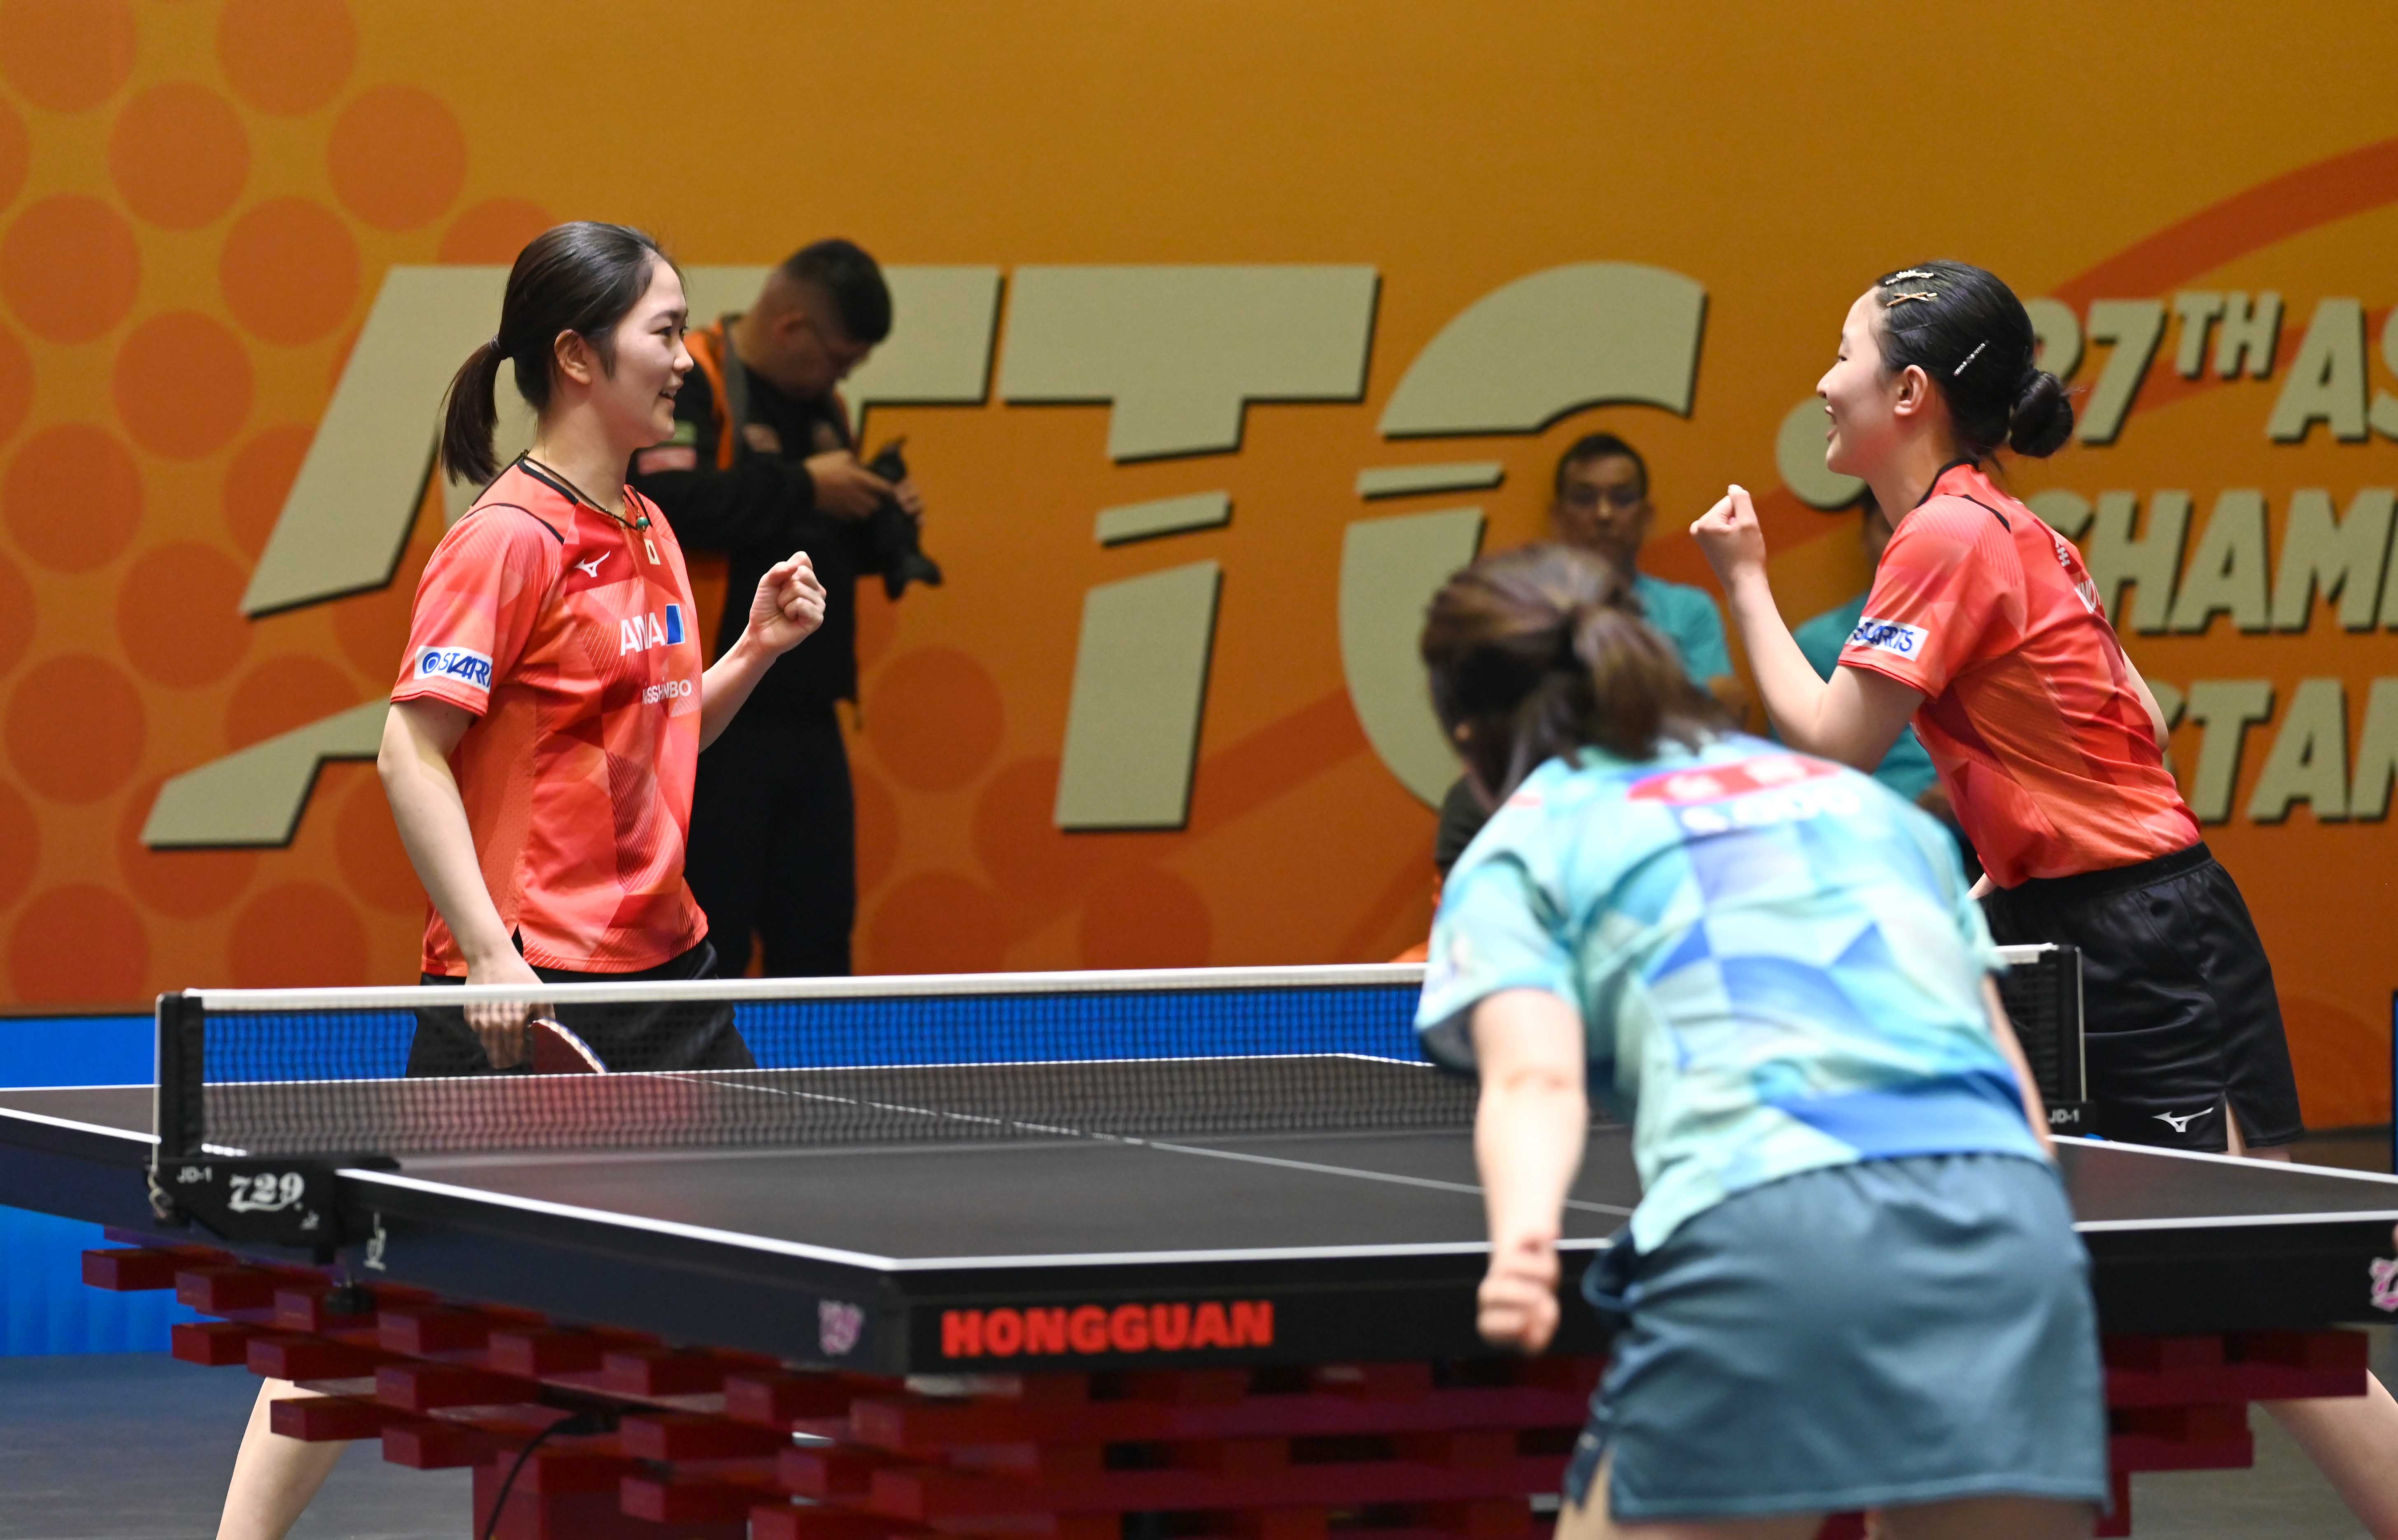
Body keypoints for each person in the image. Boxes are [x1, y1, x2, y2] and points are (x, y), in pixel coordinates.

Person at [1688, 257, 2398, 1533]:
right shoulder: (2002, 524)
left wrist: (1742, 578)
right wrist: (2010, 853)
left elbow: (1835, 740)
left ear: (1909, 391)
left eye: (1842, 354)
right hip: (2100, 925)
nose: (1823, 382)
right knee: (2045, 1280)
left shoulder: (1945, 536)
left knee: (2265, 1314)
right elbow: (2122, 726)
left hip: (2142, 946)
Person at [213, 221, 828, 1540]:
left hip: (669, 981)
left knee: (755, 1275)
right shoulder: (507, 538)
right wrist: (493, 953)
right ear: (577, 356)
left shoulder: (650, 525)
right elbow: (409, 749)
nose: (687, 359)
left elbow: (665, 729)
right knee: (375, 1310)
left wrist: (753, 653)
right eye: (665, 331)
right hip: (526, 1000)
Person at [1416, 542, 2105, 1539]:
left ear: (1469, 732)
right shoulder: (1864, 806)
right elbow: (2005, 1074)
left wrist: (1523, 1246)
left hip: (1768, 1225)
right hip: (2007, 1229)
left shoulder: (1528, 837)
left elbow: (1534, 1079)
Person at [629, 239, 927, 977]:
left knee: (819, 941)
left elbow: (805, 546)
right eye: (839, 359)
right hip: (715, 712)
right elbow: (664, 502)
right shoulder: (694, 378)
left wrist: (877, 518)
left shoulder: (824, 407)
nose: (843, 377)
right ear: (794, 328)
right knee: (713, 938)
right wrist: (806, 486)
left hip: (811, 714)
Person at [1788, 491, 1973, 877]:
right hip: (1871, 846)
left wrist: (1974, 792)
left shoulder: (1988, 632)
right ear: (1864, 538)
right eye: (1889, 528)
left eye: (1918, 531)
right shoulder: (1817, 643)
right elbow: (1804, 778)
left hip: (1991, 840)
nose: (1905, 543)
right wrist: (1911, 809)